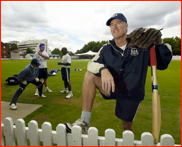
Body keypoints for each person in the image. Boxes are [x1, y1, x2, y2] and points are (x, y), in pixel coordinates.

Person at [65, 13, 172, 134]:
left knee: (126, 126)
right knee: (89, 75)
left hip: (131, 92)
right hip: (111, 87)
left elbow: (163, 64)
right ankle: (84, 122)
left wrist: (158, 42)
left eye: (118, 23)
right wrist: (103, 70)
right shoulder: (106, 48)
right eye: (111, 25)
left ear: (126, 26)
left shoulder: (142, 46)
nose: (114, 27)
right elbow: (91, 64)